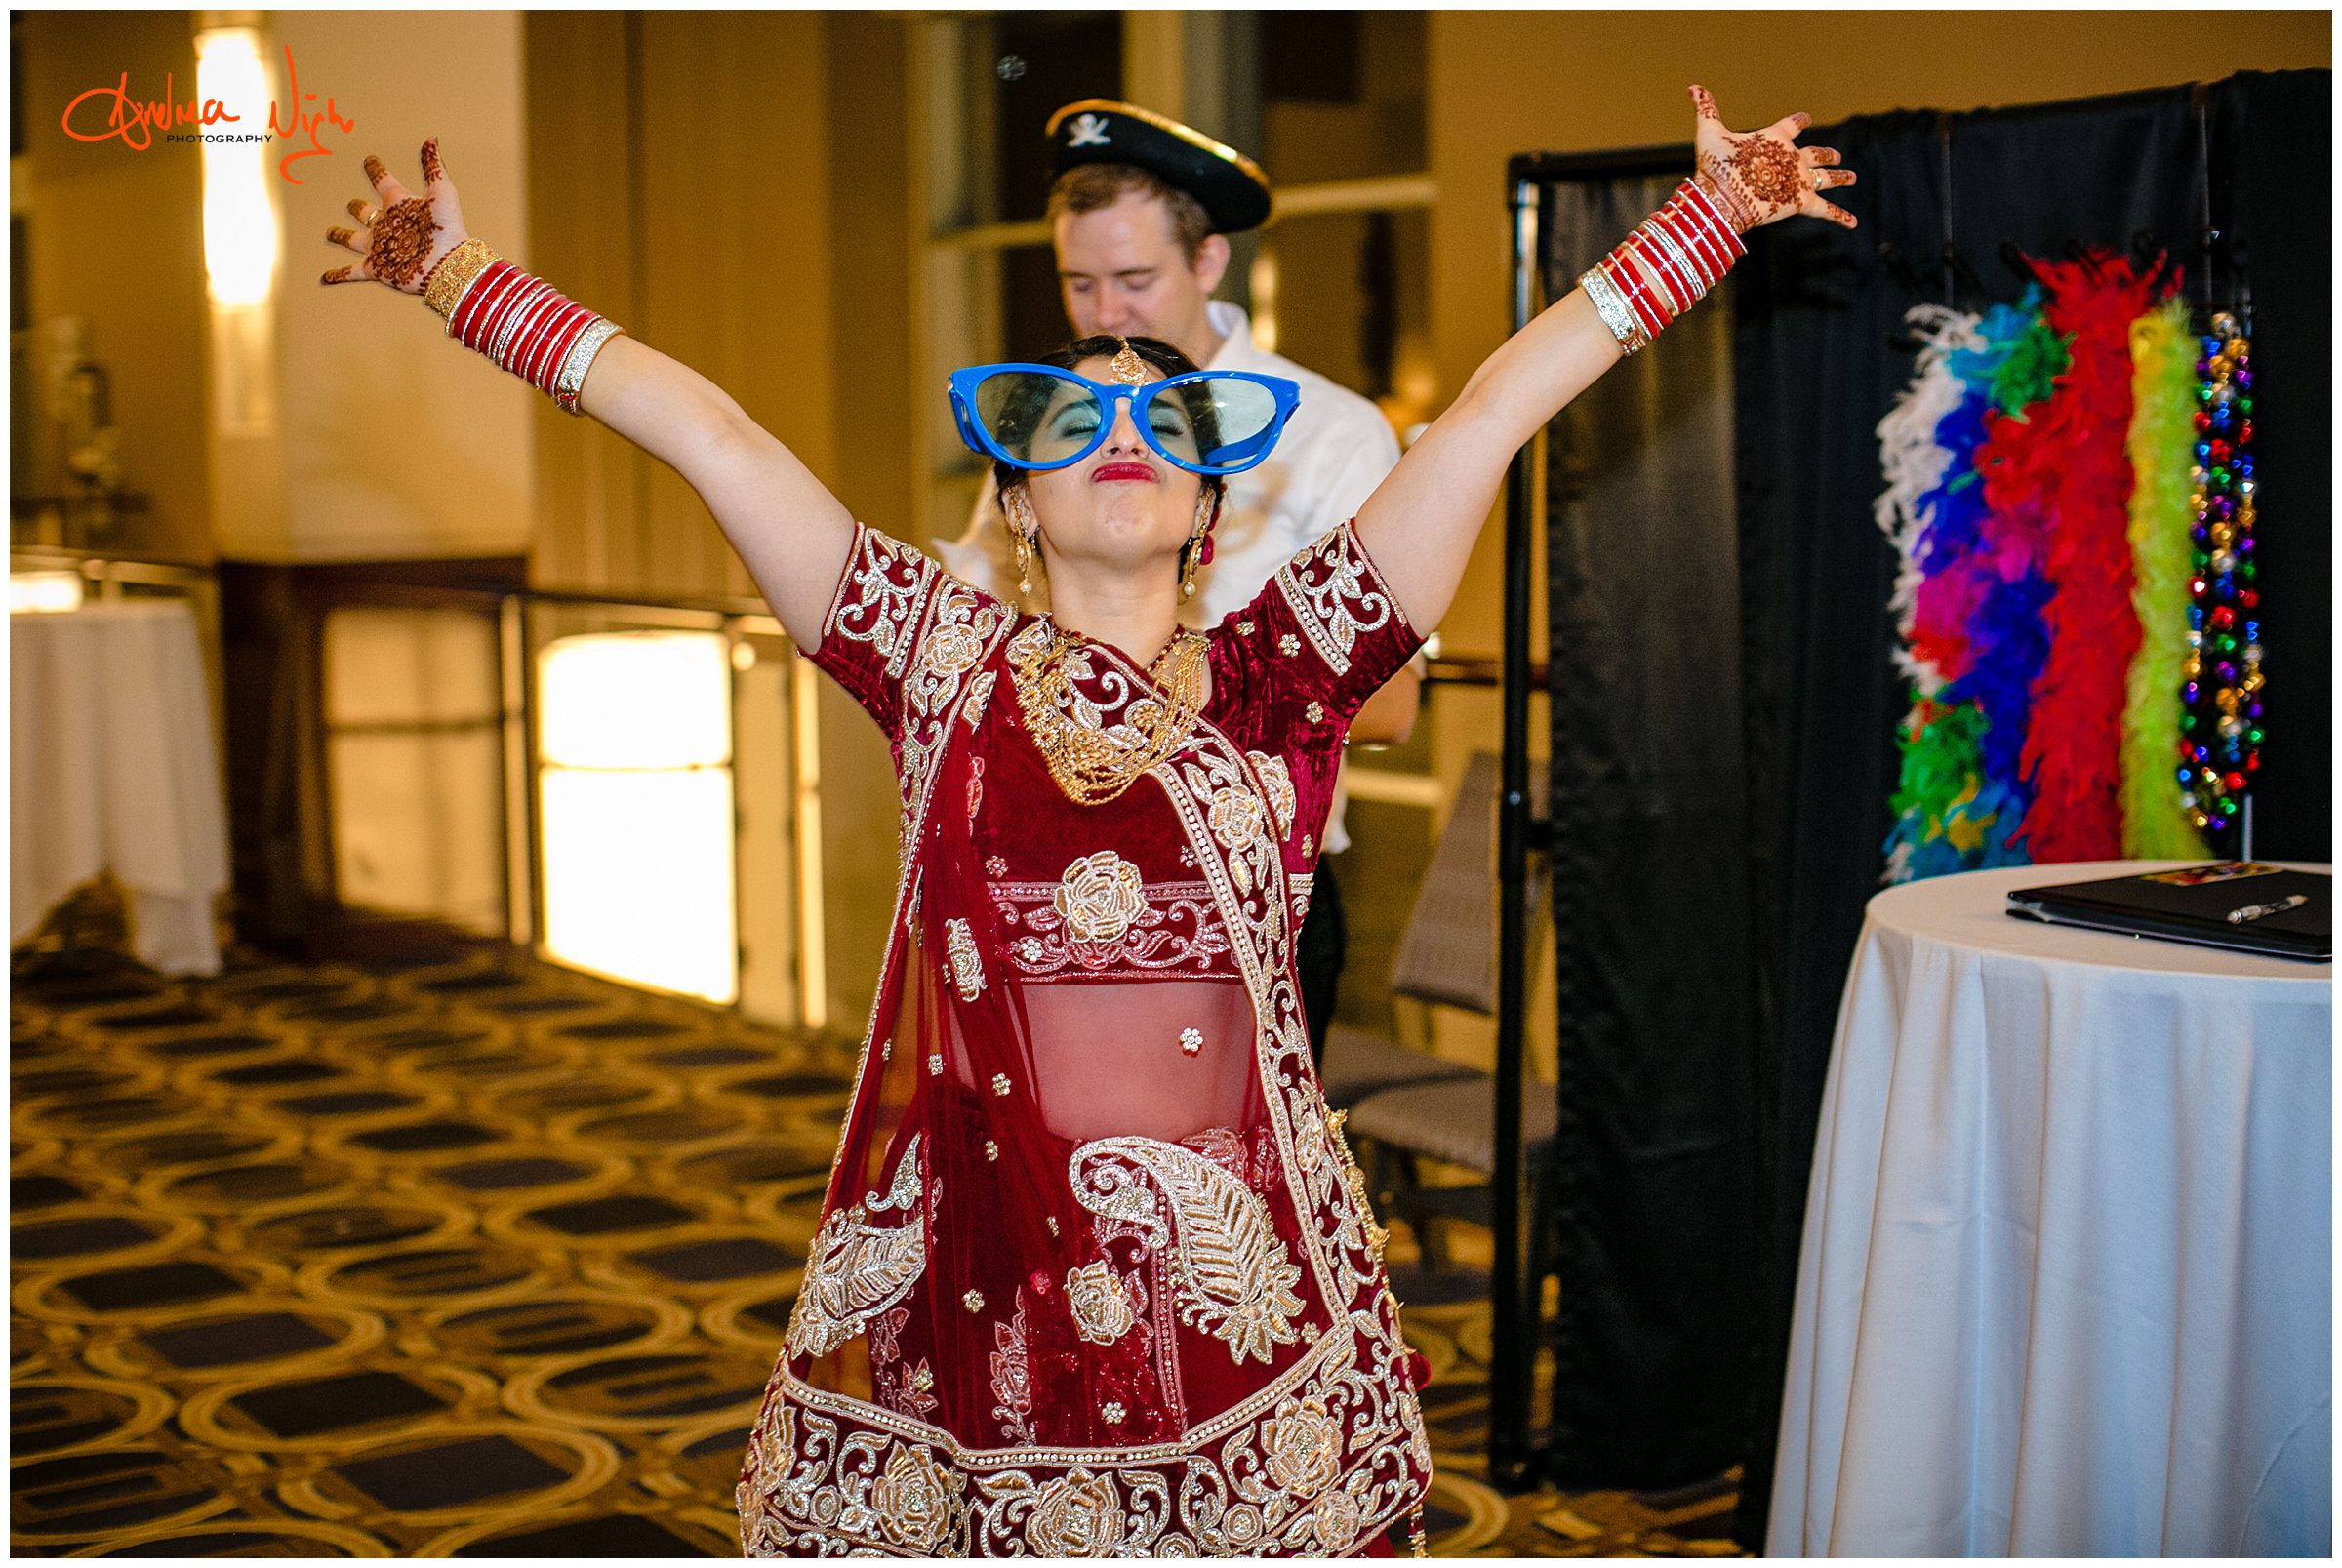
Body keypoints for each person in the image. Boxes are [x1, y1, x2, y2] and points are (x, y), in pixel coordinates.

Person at [321, 87, 1853, 1557]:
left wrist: (1703, 224)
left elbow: (1488, 412)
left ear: (1209, 505)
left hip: (1236, 1282)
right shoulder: (936, 659)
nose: (1121, 422)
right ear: (1013, 494)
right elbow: (715, 433)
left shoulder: (1287, 669)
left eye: (1159, 415)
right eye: (1072, 414)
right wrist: (462, 278)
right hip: (989, 1256)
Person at [935, 100, 1416, 1065]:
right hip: (1048, 870)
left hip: (1252, 881)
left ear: (1208, 263)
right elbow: (983, 610)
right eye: (1081, 283)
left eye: (1135, 279)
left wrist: (1209, 676)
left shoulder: (1330, 432)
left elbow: (1396, 702)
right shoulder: (1052, 422)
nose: (1106, 315)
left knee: (1231, 1188)